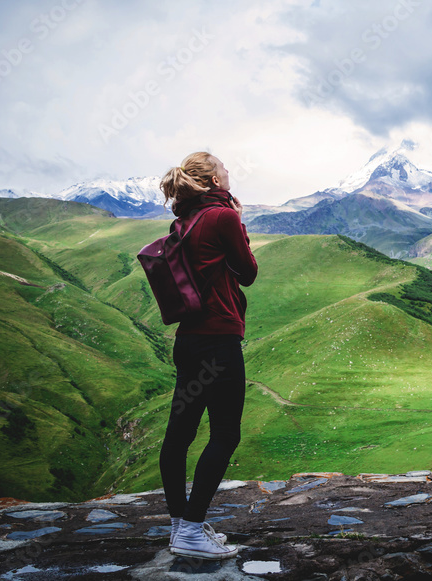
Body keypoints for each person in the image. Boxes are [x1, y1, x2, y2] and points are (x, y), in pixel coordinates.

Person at [156, 151, 258, 560]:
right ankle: (193, 529)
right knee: (225, 433)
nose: (230, 172)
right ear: (214, 180)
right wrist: (240, 223)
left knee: (179, 435)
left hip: (189, 340)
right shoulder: (223, 217)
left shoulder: (184, 219)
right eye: (225, 168)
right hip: (218, 339)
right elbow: (247, 272)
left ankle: (181, 524)